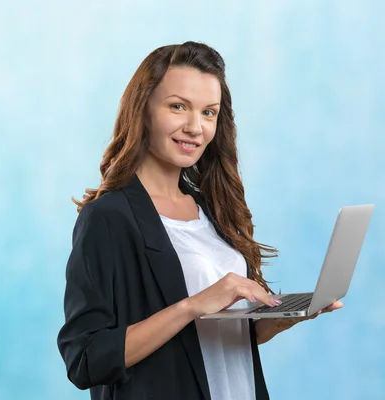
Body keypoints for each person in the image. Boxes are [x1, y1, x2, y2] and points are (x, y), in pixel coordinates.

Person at [57, 41, 343, 400]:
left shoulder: (212, 209)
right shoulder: (109, 217)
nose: (196, 127)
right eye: (178, 106)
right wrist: (193, 305)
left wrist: (280, 318)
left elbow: (222, 339)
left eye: (209, 112)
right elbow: (85, 359)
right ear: (143, 110)